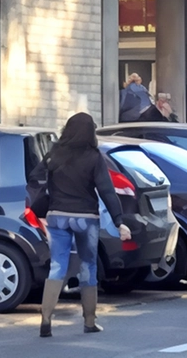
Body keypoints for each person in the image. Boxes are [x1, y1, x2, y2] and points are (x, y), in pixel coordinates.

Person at [28, 113, 132, 337]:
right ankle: (89, 321)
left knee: (57, 266)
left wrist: (47, 198)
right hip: (85, 218)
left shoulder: (55, 153)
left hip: (56, 216)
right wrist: (119, 222)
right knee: (88, 267)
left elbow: (34, 177)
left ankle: (46, 321)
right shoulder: (94, 157)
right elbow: (106, 190)